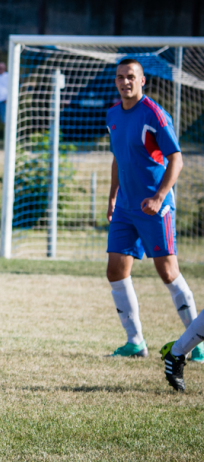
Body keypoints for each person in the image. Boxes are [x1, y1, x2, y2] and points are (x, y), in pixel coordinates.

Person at [105, 58, 202, 362]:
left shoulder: (154, 115)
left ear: (142, 80)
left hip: (154, 208)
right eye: (120, 77)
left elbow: (176, 159)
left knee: (168, 271)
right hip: (125, 207)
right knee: (115, 271)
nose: (125, 82)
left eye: (131, 77)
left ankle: (196, 343)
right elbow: (118, 158)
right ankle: (135, 342)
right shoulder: (112, 114)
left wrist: (160, 197)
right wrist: (112, 196)